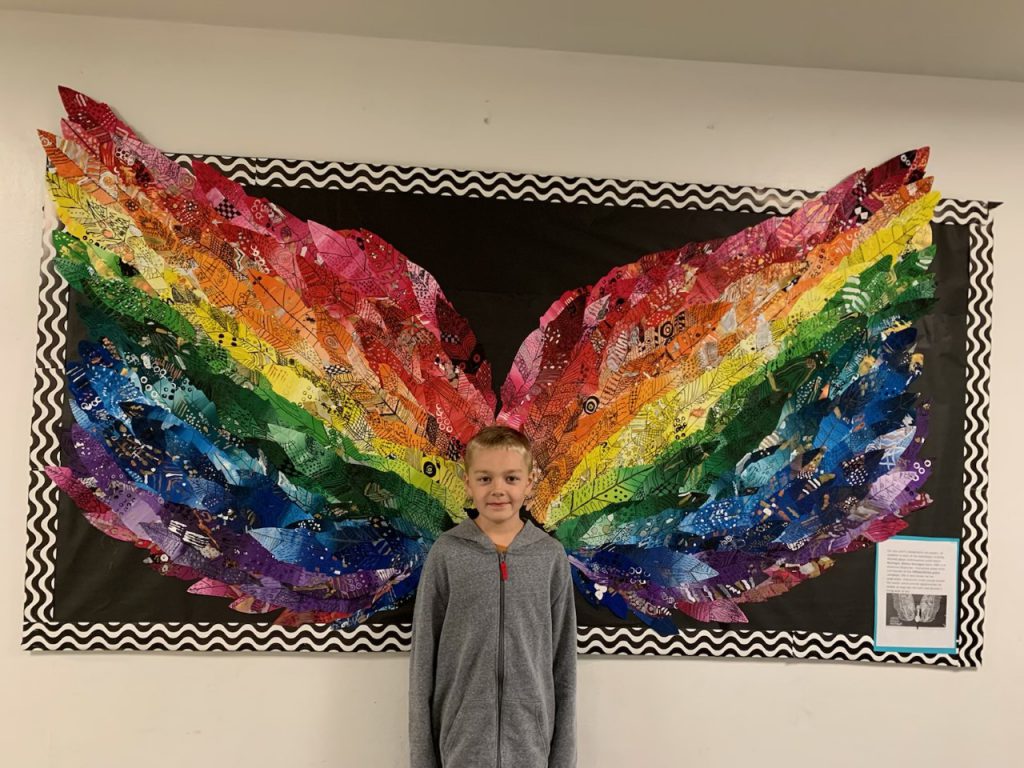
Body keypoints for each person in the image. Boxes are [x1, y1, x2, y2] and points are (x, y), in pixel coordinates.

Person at [409, 425, 577, 768]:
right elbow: (423, 661)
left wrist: (561, 761)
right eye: (485, 479)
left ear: (529, 482)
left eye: (511, 479)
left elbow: (564, 668)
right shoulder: (447, 553)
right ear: (468, 482)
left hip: (531, 749)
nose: (498, 490)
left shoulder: (549, 557)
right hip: (461, 748)